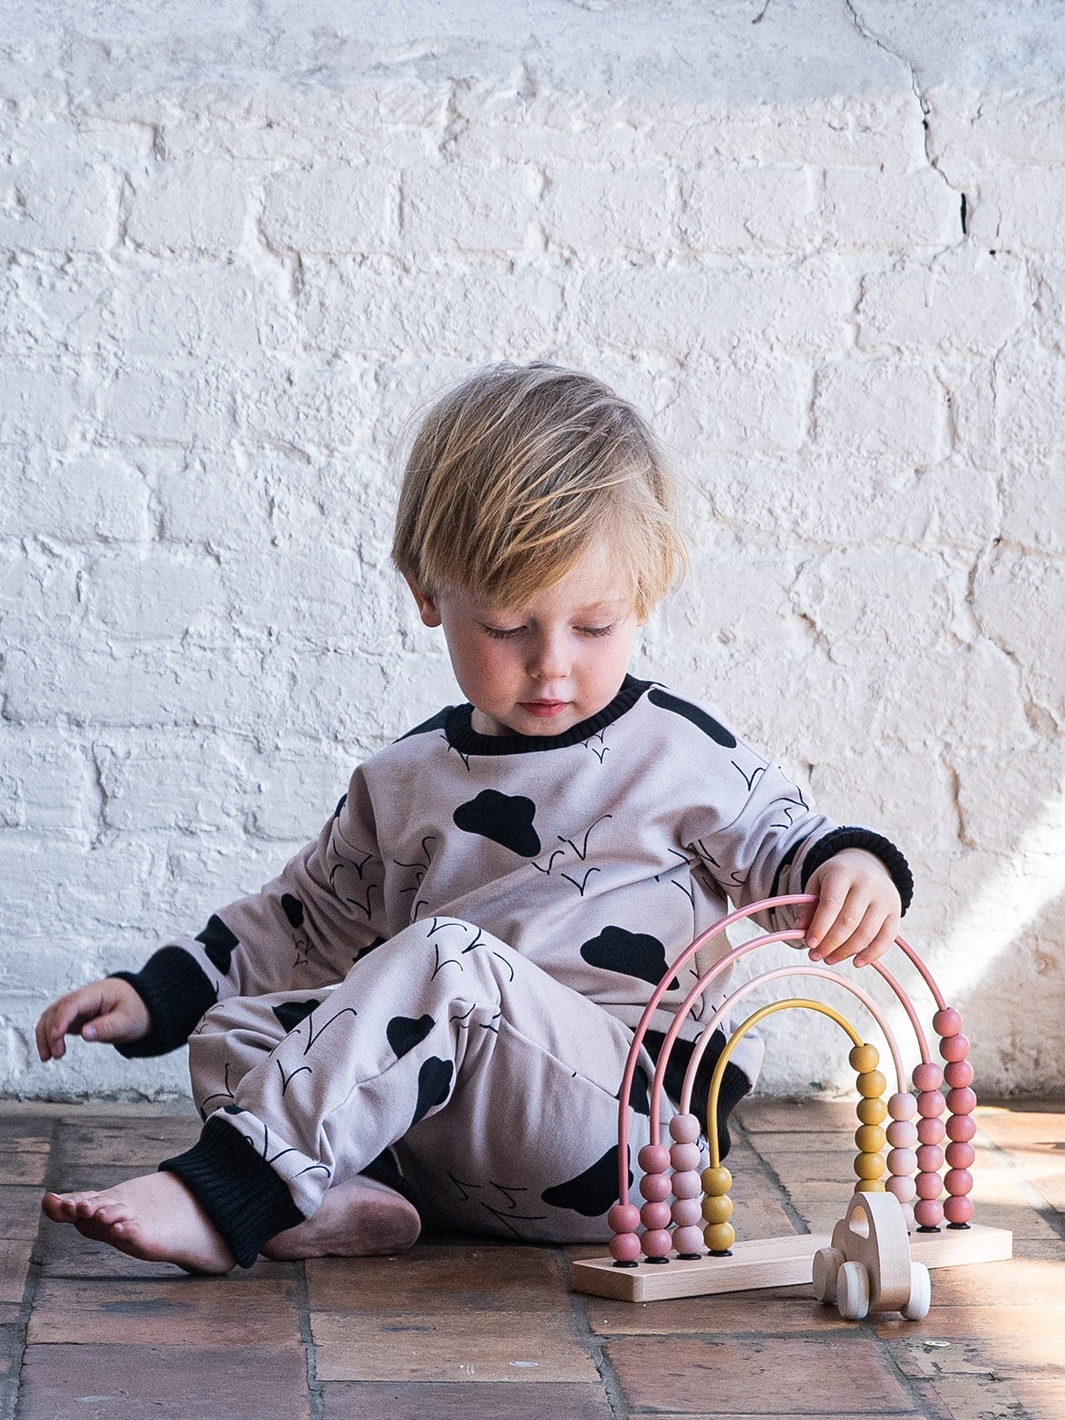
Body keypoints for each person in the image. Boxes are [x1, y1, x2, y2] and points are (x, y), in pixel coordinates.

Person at [36, 362, 912, 1275]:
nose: (551, 664)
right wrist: (155, 997)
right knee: (238, 1032)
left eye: (594, 627)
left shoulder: (676, 753)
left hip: (628, 1133)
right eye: (506, 628)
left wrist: (851, 867)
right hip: (445, 1145)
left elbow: (782, 838)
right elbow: (298, 923)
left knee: (446, 960)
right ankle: (345, 1197)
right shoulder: (403, 779)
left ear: (643, 599)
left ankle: (227, 1195)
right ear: (428, 594)